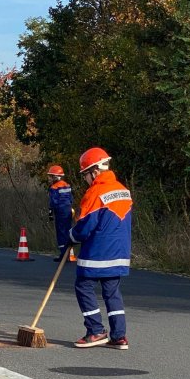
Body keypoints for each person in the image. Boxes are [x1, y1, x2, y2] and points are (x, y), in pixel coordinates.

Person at [70, 147, 132, 350]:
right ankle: (119, 336)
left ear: (94, 171)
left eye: (85, 175)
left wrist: (72, 235)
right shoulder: (123, 190)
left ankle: (95, 330)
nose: (85, 179)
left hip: (97, 252)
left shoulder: (95, 192)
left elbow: (85, 226)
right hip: (120, 253)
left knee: (83, 286)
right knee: (112, 292)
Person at [47, 164, 73, 262]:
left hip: (60, 211)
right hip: (68, 210)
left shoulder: (54, 187)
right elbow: (71, 199)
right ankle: (68, 254)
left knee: (61, 232)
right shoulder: (67, 185)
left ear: (55, 177)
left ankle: (63, 255)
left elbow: (53, 202)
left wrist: (50, 212)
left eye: (51, 176)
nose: (49, 178)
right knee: (67, 231)